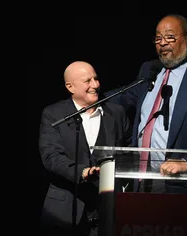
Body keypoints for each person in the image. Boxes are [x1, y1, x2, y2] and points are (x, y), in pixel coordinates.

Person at [105, 13, 187, 194]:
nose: (162, 43)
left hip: (185, 186)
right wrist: (90, 96)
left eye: (170, 37)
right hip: (142, 178)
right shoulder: (149, 70)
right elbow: (124, 96)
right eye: (158, 38)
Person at [38, 61, 132, 235]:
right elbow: (51, 157)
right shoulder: (53, 114)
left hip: (108, 207)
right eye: (87, 81)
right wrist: (82, 172)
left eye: (96, 79)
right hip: (64, 211)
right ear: (70, 87)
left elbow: (130, 150)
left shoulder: (116, 113)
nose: (95, 85)